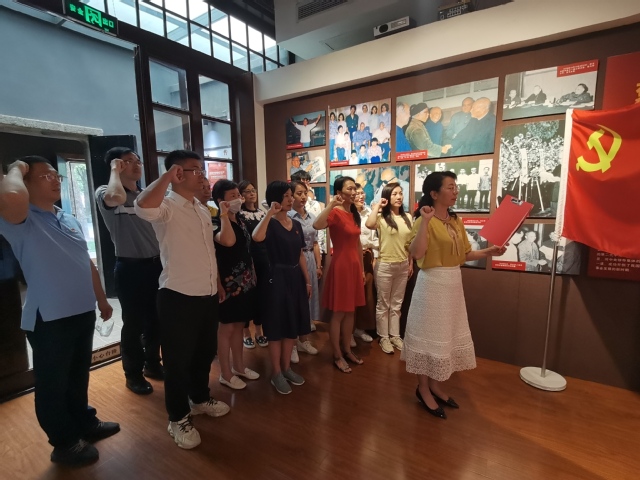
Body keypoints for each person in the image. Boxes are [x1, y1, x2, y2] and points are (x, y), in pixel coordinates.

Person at [0, 156, 119, 466]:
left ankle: (84, 423)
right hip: (49, 318)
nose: (55, 179)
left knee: (77, 377)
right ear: (26, 184)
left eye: (56, 175)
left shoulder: (67, 217)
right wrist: (16, 168)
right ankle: (64, 442)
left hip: (81, 311)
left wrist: (101, 299)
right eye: (44, 176)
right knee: (53, 384)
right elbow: (10, 195)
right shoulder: (19, 220)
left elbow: (85, 261)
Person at [135, 150, 231, 449]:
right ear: (178, 173)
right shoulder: (166, 206)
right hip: (178, 295)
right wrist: (166, 177)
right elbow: (142, 205)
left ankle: (199, 398)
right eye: (195, 170)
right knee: (177, 362)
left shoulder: (201, 208)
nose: (202, 175)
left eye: (202, 169)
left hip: (207, 293)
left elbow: (208, 251)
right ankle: (177, 418)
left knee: (204, 353)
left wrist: (216, 283)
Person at [404, 171, 505, 419]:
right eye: (450, 187)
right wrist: (425, 221)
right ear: (434, 193)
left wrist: (489, 252)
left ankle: (435, 385)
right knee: (427, 338)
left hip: (452, 285)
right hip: (431, 285)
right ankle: (423, 388)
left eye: (456, 187)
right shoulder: (423, 220)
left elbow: (464, 254)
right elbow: (417, 254)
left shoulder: (455, 221)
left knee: (444, 337)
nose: (456, 191)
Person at [94, 147, 163, 396]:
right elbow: (115, 198)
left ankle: (153, 364)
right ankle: (132, 374)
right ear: (116, 166)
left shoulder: (145, 196)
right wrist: (114, 169)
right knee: (133, 324)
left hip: (157, 266)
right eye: (127, 162)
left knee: (156, 320)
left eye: (137, 160)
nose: (136, 165)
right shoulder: (106, 192)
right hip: (130, 268)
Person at [252, 181, 311, 394]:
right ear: (275, 198)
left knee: (291, 325)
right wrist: (270, 213)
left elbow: (300, 254)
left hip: (295, 277)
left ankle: (286, 368)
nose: (290, 199)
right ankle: (276, 372)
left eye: (290, 195)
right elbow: (256, 237)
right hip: (275, 278)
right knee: (276, 327)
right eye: (286, 196)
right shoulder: (269, 223)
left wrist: (307, 280)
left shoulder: (295, 224)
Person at [211, 180, 260, 391]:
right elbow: (228, 242)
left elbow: (247, 248)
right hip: (228, 284)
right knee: (226, 328)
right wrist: (224, 214)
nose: (238, 199)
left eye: (238, 195)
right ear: (220, 200)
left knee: (240, 325)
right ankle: (225, 373)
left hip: (246, 282)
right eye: (232, 196)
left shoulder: (240, 219)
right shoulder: (215, 222)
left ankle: (239, 367)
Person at [313, 176, 365, 374]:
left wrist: (361, 269)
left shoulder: (354, 213)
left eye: (354, 188)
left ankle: (346, 350)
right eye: (349, 189)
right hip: (341, 265)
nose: (353, 192)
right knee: (339, 313)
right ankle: (336, 354)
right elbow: (317, 225)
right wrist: (330, 204)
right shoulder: (335, 212)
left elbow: (358, 244)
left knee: (351, 311)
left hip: (353, 266)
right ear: (339, 192)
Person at [366, 182, 413, 355]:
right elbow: (369, 224)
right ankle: (383, 337)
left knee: (396, 304)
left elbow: (410, 243)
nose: (399, 197)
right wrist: (378, 205)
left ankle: (394, 335)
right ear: (387, 196)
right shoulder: (381, 217)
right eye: (394, 194)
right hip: (385, 265)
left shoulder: (408, 217)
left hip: (402, 265)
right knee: (383, 304)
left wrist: (410, 263)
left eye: (400, 193)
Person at [288, 181, 320, 358]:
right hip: (294, 259)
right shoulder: (288, 217)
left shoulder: (311, 216)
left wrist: (319, 265)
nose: (302, 197)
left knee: (309, 297)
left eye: (305, 193)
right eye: (298, 193)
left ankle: (304, 339)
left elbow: (315, 243)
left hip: (310, 258)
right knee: (296, 301)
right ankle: (292, 343)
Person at [237, 180, 269, 348]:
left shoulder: (263, 213)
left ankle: (259, 331)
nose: (252, 193)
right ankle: (246, 333)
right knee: (247, 298)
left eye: (253, 190)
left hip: (263, 258)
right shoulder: (239, 215)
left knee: (261, 296)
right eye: (247, 191)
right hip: (247, 260)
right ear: (241, 195)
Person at [353, 184, 377, 343]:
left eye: (362, 193)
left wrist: (375, 257)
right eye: (357, 193)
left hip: (367, 256)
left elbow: (374, 238)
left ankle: (360, 328)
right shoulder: (348, 214)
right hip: (351, 257)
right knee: (350, 294)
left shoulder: (369, 213)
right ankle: (348, 330)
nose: (361, 196)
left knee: (366, 294)